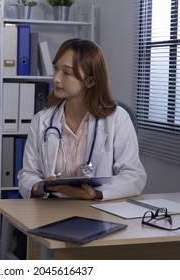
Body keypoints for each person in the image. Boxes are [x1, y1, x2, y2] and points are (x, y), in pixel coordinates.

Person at [18, 38, 147, 201]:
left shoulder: (117, 120)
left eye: (66, 72)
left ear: (90, 80)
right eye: (56, 68)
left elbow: (134, 176)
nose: (56, 78)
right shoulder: (41, 121)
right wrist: (37, 186)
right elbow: (27, 174)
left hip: (99, 209)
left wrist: (95, 193)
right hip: (51, 208)